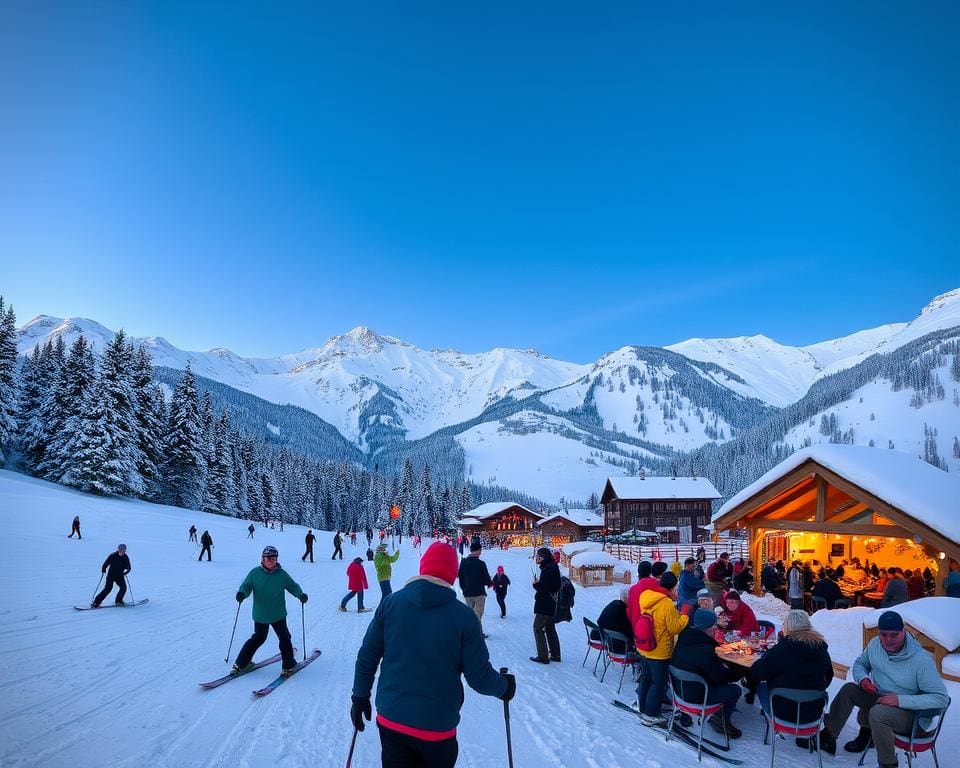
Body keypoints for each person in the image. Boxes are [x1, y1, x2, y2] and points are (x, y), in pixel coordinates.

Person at [350, 542, 514, 766]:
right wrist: (504, 687)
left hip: (391, 719)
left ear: (422, 567)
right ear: (452, 576)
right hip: (436, 728)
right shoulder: (464, 617)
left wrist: (360, 696)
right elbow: (479, 678)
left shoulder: (391, 604)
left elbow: (367, 656)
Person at [817, 611, 949, 767]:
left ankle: (888, 764)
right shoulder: (875, 644)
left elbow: (941, 698)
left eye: (894, 635)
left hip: (911, 714)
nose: (888, 640)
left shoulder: (920, 660)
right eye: (883, 634)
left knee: (878, 713)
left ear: (903, 631)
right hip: (881, 698)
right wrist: (863, 679)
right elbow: (860, 664)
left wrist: (899, 700)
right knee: (849, 690)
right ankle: (829, 737)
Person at [749, 610, 832, 747]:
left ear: (788, 627)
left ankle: (769, 719)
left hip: (783, 713)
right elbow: (828, 676)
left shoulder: (783, 648)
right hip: (813, 713)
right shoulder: (821, 649)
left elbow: (757, 673)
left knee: (761, 686)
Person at [233, 545, 307, 677]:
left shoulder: (281, 574)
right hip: (260, 614)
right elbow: (246, 586)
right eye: (268, 558)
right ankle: (241, 663)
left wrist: (300, 594)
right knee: (258, 638)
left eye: (274, 558)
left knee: (284, 638)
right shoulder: (255, 573)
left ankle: (288, 665)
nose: (271, 560)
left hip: (278, 614)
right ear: (262, 558)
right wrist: (242, 593)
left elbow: (292, 586)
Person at [671, 608, 744, 738]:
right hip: (698, 696)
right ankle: (720, 721)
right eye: (713, 628)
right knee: (735, 690)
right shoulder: (705, 650)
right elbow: (720, 678)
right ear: (706, 629)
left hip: (678, 691)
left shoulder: (684, 638)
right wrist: (739, 670)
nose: (715, 630)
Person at [636, 571, 693, 726]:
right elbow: (674, 628)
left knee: (646, 679)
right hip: (659, 651)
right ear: (672, 588)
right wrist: (684, 615)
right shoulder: (666, 604)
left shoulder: (646, 597)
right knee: (658, 683)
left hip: (644, 647)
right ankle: (650, 714)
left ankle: (643, 708)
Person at [531, 546, 562, 663]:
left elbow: (547, 587)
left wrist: (536, 585)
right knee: (550, 628)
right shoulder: (551, 566)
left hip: (545, 604)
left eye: (538, 556)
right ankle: (555, 654)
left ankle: (543, 656)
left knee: (537, 628)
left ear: (543, 557)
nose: (536, 558)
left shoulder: (548, 569)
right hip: (550, 603)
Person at [458, 540, 492, 637]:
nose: (481, 552)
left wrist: (464, 589)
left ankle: (472, 633)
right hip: (479, 594)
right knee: (477, 615)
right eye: (480, 550)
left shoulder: (463, 562)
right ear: (476, 551)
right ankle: (477, 634)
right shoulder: (481, 563)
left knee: (470, 615)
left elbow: (460, 577)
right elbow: (486, 580)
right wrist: (490, 582)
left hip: (467, 593)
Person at [596, 587, 634, 654]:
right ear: (627, 599)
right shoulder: (623, 611)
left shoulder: (613, 604)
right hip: (618, 647)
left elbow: (599, 621)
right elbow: (629, 632)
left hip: (606, 639)